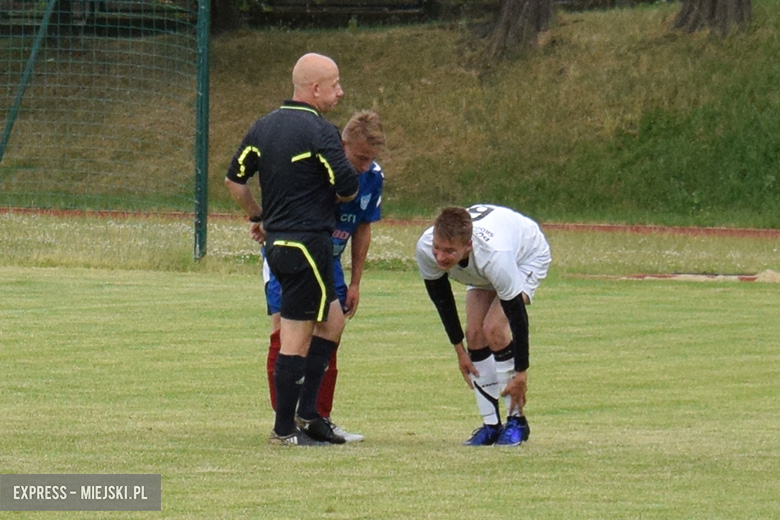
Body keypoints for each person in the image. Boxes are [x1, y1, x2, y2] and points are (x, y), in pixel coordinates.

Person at [225, 53, 360, 446]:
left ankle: (308, 414)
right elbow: (348, 187)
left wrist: (258, 217)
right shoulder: (321, 132)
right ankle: (284, 431)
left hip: (279, 247)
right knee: (296, 337)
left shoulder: (262, 127)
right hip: (307, 245)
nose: (340, 91)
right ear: (315, 89)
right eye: (335, 84)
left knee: (332, 321)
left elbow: (235, 181)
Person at [263, 110, 386, 443]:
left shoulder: (373, 177)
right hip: (295, 253)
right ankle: (284, 424)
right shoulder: (315, 170)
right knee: (288, 334)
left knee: (331, 328)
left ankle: (316, 417)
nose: (363, 165)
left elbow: (363, 228)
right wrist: (263, 223)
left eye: (369, 159)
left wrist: (357, 281)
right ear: (341, 144)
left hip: (328, 261)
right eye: (359, 157)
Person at [415, 204, 551, 446]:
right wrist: (460, 351)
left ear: (468, 245)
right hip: (484, 264)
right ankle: (491, 425)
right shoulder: (426, 248)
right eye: (437, 248)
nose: (440, 257)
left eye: (449, 251)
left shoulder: (494, 256)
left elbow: (518, 318)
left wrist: (521, 374)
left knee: (494, 329)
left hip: (524, 257)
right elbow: (442, 299)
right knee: (475, 334)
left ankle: (517, 422)